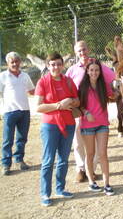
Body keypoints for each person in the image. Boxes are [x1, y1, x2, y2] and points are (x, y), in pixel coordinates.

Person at [66, 41, 115, 183]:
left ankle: (91, 171)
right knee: (78, 142)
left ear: (89, 49)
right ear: (76, 53)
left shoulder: (98, 66)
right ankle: (81, 169)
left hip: (98, 114)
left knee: (96, 147)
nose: (83, 53)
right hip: (78, 110)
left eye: (85, 49)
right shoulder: (72, 70)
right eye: (80, 51)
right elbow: (68, 87)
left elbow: (112, 77)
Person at [35, 52, 80, 206]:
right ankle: (45, 194)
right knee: (48, 160)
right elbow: (38, 107)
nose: (56, 67)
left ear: (63, 65)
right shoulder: (42, 82)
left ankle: (60, 188)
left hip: (68, 124)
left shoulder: (68, 81)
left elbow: (78, 101)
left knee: (63, 159)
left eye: (59, 64)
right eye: (53, 64)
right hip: (50, 125)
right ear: (48, 66)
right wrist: (58, 105)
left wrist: (71, 102)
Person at [79, 60, 115, 195]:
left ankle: (107, 184)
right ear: (87, 71)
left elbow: (114, 95)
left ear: (100, 72)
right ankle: (91, 181)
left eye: (97, 70)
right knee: (90, 154)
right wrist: (86, 112)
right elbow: (79, 105)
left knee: (103, 154)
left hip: (102, 124)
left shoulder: (104, 85)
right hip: (88, 125)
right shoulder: (82, 86)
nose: (94, 72)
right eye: (91, 70)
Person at [0, 52, 35, 176]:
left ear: (20, 62)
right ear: (8, 63)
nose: (15, 64)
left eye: (16, 61)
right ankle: (6, 164)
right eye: (12, 62)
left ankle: (19, 160)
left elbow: (32, 91)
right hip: (9, 112)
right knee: (7, 139)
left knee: (22, 138)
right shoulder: (3, 76)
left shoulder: (25, 76)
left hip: (24, 111)